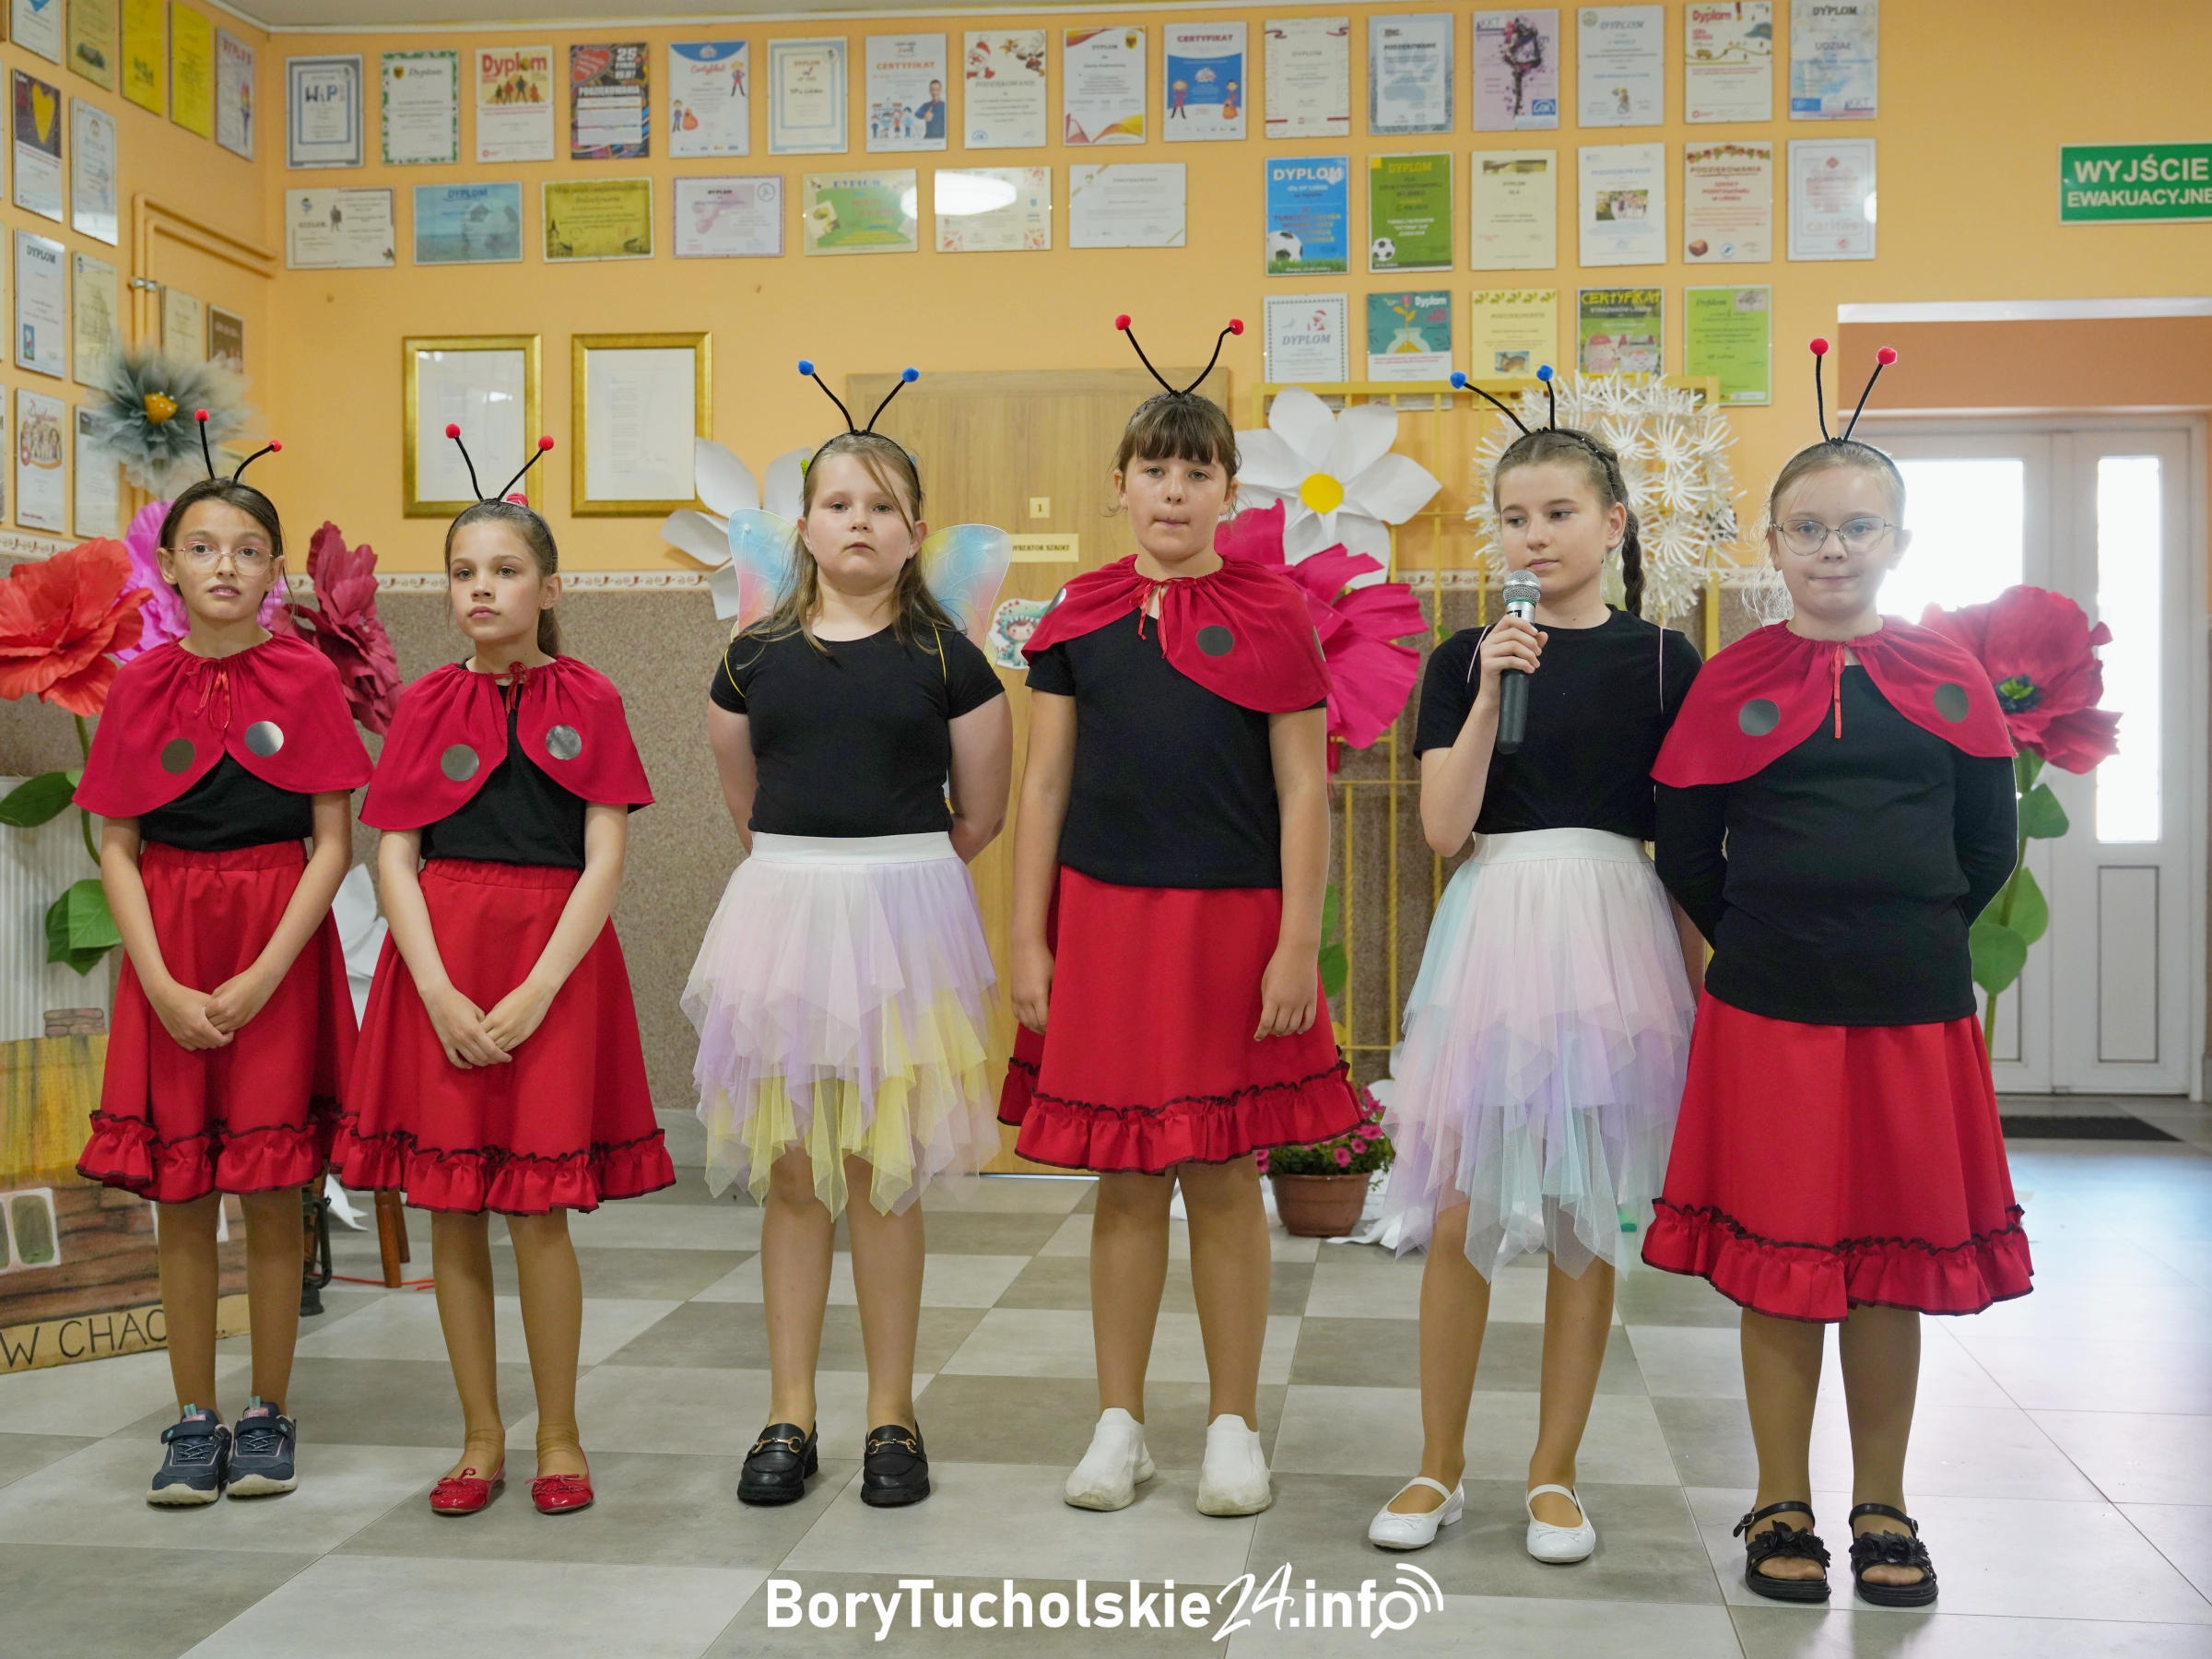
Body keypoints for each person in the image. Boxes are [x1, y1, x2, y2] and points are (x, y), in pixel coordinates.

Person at [1644, 343, 2030, 1607]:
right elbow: (1690, 851)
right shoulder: (1733, 680)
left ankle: (1883, 1502)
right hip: (1773, 1013)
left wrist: (1904, 930)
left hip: (1910, 1012)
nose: (1831, 549)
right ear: (1770, 541)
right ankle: (1777, 1498)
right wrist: (1766, 940)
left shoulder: (1949, 676)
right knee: (1781, 1265)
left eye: (1858, 528)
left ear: (1897, 543)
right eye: (1807, 527)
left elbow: (1988, 846)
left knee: (1887, 1263)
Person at [1002, 316, 1359, 1518]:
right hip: (1104, 926)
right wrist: (1027, 935)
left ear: (1228, 489)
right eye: (1154, 467)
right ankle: (1118, 1423)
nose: (1173, 487)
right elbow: (1041, 785)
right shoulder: (1076, 619)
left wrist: (1296, 938)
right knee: (1123, 1181)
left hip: (1233, 928)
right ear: (1120, 486)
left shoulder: (1273, 615)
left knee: (1219, 1172)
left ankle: (1231, 1426)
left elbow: (1304, 785)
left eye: (1196, 469)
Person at [1369, 377, 1703, 1558]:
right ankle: (1436, 1466)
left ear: (1613, 522)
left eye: (1559, 512)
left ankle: (1554, 1475)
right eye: (1515, 517)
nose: (1535, 535)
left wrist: (1704, 977)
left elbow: (1687, 830)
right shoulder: (1465, 654)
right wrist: (1491, 692)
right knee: (1461, 1206)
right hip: (1497, 924)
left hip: (1613, 928)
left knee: (1582, 1212)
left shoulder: (1667, 657)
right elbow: (1441, 830)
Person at [688, 364, 1010, 1511]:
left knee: (884, 1173)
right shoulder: (752, 659)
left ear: (916, 530)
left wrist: (890, 884)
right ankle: (789, 1410)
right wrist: (812, 875)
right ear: (805, 525)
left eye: (882, 505)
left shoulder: (949, 662)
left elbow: (981, 814)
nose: (859, 522)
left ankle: (891, 1413)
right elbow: (744, 800)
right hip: (784, 915)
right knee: (791, 1172)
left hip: (903, 917)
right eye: (838, 503)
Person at [334, 429, 670, 1518]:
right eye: (465, 573)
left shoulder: (595, 699)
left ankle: (560, 1434)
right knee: (451, 1208)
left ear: (550, 585)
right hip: (441, 962)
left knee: (539, 1213)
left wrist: (533, 992)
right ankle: (480, 1438)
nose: (483, 589)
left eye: (507, 570)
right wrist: (432, 988)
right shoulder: (424, 706)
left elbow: (605, 852)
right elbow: (393, 852)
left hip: (554, 968)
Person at [76, 428, 369, 1506]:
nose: (226, 567)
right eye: (204, 548)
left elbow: (333, 841)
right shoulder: (138, 684)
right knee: (182, 1192)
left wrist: (263, 972)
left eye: (249, 550)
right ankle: (193, 1417)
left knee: (272, 1187)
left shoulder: (305, 678)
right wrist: (156, 979)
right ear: (171, 568)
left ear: (274, 573)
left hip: (276, 945)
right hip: (169, 944)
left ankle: (269, 1410)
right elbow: (114, 843)